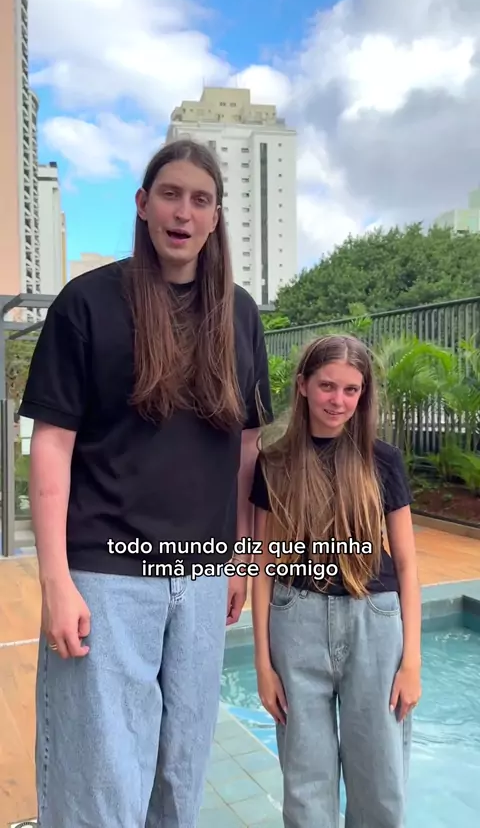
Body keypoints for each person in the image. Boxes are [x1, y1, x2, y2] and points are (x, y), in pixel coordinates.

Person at [19, 138, 273, 828]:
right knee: (98, 788)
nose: (183, 212)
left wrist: (240, 560)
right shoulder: (87, 303)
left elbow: (247, 449)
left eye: (200, 200)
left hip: (201, 577)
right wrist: (55, 580)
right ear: (142, 204)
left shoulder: (240, 315)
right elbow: (52, 445)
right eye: (170, 194)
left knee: (179, 777)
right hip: (105, 575)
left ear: (216, 217)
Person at [249, 334, 421, 828]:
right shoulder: (275, 462)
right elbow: (263, 564)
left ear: (363, 395)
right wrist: (263, 664)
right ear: (302, 385)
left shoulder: (382, 460)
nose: (338, 400)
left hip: (375, 624)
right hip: (296, 624)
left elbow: (407, 564)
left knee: (380, 782)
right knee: (305, 786)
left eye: (351, 390)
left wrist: (412, 661)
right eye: (327, 386)